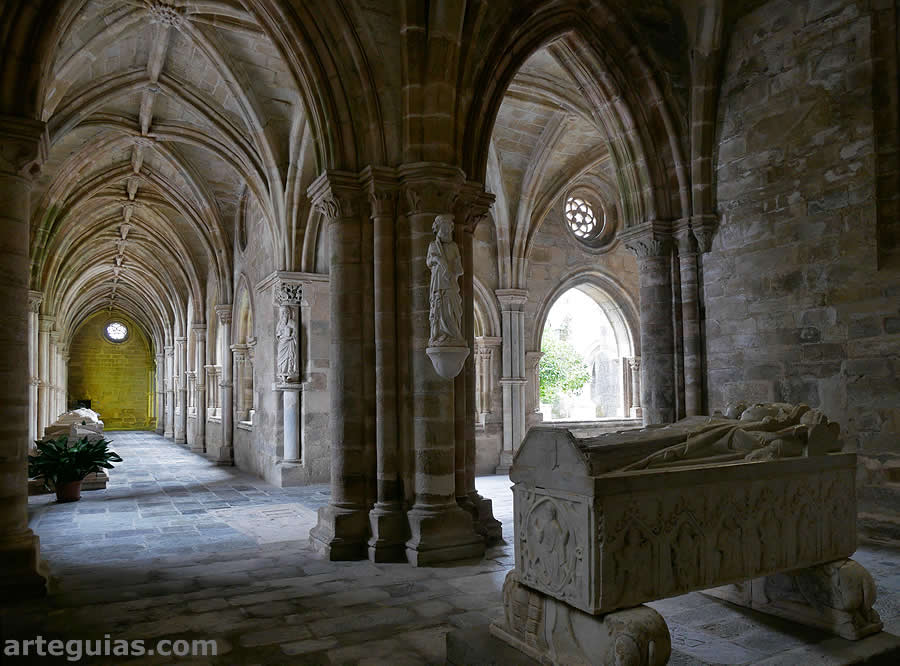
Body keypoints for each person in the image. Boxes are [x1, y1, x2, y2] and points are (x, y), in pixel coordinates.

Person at [426, 214, 464, 345]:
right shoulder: (433, 246)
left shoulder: (454, 247)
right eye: (444, 229)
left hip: (450, 283)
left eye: (449, 229)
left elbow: (460, 270)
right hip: (438, 283)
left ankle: (454, 335)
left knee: (451, 308)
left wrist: (452, 268)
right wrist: (437, 259)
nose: (447, 232)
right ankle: (438, 335)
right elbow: (429, 261)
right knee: (438, 307)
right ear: (437, 229)